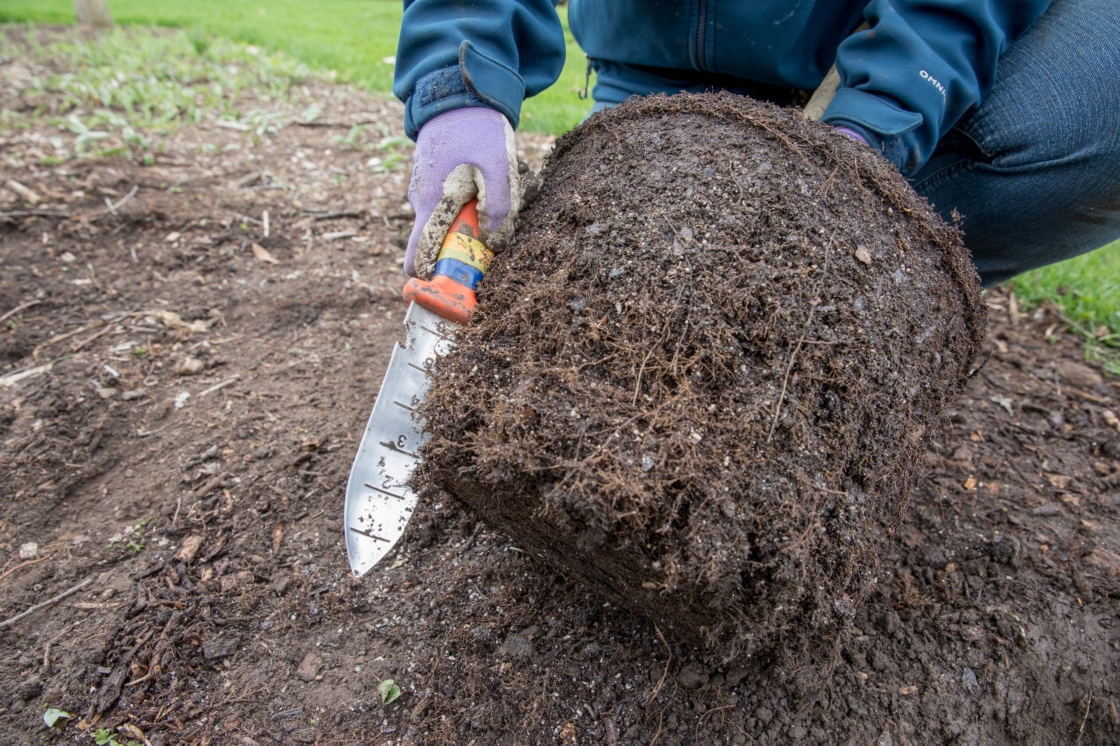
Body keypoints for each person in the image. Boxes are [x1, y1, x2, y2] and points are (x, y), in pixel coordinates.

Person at [393, 0, 1120, 288]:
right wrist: (458, 83)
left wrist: (873, 127)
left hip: (849, 67)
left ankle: (880, 293)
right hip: (649, 68)